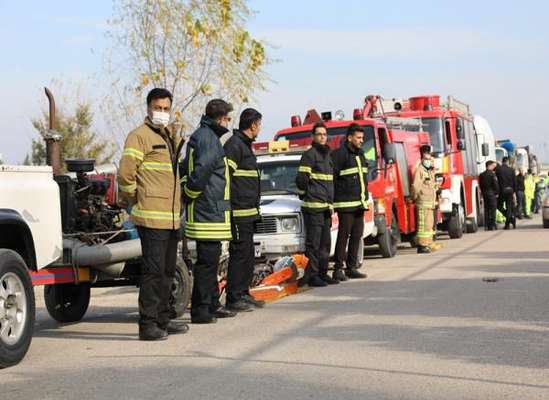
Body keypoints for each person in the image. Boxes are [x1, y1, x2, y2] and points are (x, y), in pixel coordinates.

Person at [118, 88, 189, 341]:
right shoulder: (138, 137)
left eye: (165, 108)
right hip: (151, 216)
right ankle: (148, 325)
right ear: (148, 108)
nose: (162, 113)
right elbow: (126, 175)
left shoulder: (169, 136)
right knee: (153, 271)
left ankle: (163, 319)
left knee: (168, 271)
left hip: (170, 218)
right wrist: (137, 198)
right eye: (157, 108)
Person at [181, 99, 236, 324]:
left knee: (210, 262)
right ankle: (201, 310)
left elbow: (187, 167)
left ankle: (212, 304)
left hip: (210, 211)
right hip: (207, 212)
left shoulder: (205, 136)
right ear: (221, 118)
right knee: (206, 264)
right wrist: (190, 193)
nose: (229, 123)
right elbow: (201, 171)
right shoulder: (208, 139)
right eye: (228, 118)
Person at [223, 108, 265, 312]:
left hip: (248, 212)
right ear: (253, 124)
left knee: (248, 255)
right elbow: (225, 178)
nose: (260, 128)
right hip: (238, 212)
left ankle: (243, 292)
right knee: (239, 255)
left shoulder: (245, 146)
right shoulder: (235, 145)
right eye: (259, 124)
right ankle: (233, 297)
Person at [296, 122, 337, 287]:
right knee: (314, 243)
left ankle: (322, 273)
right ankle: (312, 275)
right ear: (313, 137)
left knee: (325, 243)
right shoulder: (309, 155)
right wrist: (308, 194)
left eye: (324, 134)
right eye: (319, 134)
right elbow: (301, 180)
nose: (322, 137)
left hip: (326, 207)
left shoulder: (327, 156)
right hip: (313, 207)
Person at [331, 124, 369, 280]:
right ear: (349, 138)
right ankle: (338, 269)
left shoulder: (361, 154)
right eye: (358, 138)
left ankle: (351, 267)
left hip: (359, 203)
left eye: (362, 138)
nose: (361, 141)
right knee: (343, 236)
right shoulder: (340, 155)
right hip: (345, 205)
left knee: (356, 235)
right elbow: (333, 178)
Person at [411, 145, 437, 254]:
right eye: (426, 159)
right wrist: (414, 197)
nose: (429, 160)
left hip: (430, 203)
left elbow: (433, 187)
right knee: (423, 226)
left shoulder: (430, 172)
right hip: (422, 202)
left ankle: (427, 243)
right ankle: (421, 245)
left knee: (429, 225)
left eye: (430, 158)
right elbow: (416, 186)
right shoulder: (420, 170)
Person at [495, 156, 517, 230]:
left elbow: (496, 181)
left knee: (499, 206)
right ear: (508, 162)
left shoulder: (498, 170)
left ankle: (509, 219)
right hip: (510, 190)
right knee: (509, 207)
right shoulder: (511, 170)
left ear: (502, 161)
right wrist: (514, 192)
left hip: (502, 191)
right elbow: (514, 182)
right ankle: (509, 220)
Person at [479, 160, 499, 230]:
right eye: (493, 166)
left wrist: (483, 192)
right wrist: (497, 193)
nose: (494, 167)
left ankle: (486, 225)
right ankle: (493, 225)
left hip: (485, 193)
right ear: (489, 166)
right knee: (493, 209)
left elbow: (480, 185)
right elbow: (495, 185)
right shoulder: (492, 174)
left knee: (486, 210)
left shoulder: (481, 175)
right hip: (492, 194)